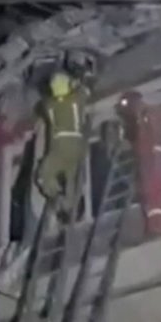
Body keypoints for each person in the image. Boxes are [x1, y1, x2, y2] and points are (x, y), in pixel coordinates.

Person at [115, 90, 161, 235]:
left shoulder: (148, 115)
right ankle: (155, 227)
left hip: (154, 161)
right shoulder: (143, 116)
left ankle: (157, 227)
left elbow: (151, 138)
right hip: (152, 161)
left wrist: (151, 157)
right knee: (151, 197)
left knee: (153, 197)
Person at [36, 71, 90, 222]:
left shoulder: (53, 187)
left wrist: (55, 191)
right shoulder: (75, 183)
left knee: (62, 104)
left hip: (65, 141)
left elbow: (44, 174)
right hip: (68, 141)